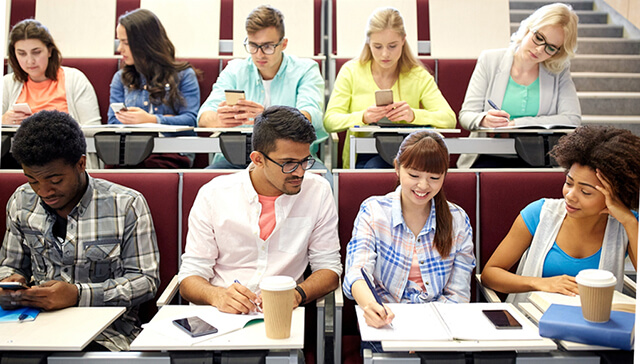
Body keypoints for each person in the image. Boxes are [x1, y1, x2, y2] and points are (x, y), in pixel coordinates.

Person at [0, 110, 160, 351]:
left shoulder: (126, 204)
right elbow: (11, 265)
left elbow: (145, 281)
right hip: (31, 325)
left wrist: (78, 295)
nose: (44, 191)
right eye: (33, 180)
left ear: (81, 164)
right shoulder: (21, 201)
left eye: (55, 181)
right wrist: (11, 281)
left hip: (106, 332)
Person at [179, 106, 341, 314]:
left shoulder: (317, 191)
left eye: (304, 161)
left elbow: (329, 269)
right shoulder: (214, 194)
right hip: (220, 315)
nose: (300, 172)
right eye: (288, 164)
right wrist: (217, 296)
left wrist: (297, 293)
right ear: (258, 159)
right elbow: (190, 278)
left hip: (281, 315)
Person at [481, 126, 640, 304]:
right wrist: (541, 283)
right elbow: (490, 274)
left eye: (585, 192)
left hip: (597, 325)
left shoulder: (627, 224)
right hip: (533, 320)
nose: (570, 195)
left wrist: (629, 222)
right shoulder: (539, 213)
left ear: (615, 194)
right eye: (569, 183)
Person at [343, 131, 475, 333]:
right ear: (397, 167)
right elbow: (357, 271)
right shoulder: (374, 211)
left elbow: (458, 293)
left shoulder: (457, 219)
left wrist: (429, 331)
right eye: (414, 175)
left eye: (434, 177)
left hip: (441, 325)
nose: (423, 186)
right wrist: (371, 306)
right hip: (388, 322)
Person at [323, 7, 456, 169]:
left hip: (409, 155)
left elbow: (449, 119)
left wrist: (413, 115)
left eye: (392, 46)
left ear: (403, 40)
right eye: (377, 47)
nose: (385, 54)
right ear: (368, 43)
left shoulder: (418, 75)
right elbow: (330, 121)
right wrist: (363, 117)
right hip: (362, 155)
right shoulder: (351, 71)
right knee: (375, 168)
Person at [198, 5, 326, 169]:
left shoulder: (305, 70)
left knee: (324, 183)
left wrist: (269, 119)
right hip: (235, 159)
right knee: (205, 185)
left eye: (267, 46)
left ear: (283, 44)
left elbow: (311, 115)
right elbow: (203, 116)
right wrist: (220, 120)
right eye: (253, 45)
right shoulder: (235, 70)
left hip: (292, 159)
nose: (259, 54)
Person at [457, 3, 581, 168]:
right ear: (528, 28)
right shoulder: (490, 60)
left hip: (540, 157)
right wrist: (484, 119)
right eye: (539, 38)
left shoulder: (558, 71)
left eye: (551, 48)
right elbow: (466, 116)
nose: (539, 50)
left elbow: (572, 119)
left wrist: (518, 123)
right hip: (488, 154)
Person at [2, 19, 102, 169]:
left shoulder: (74, 79)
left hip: (64, 157)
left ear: (49, 51)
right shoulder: (7, 83)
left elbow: (93, 131)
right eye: (21, 53)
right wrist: (3, 121)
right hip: (18, 160)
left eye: (36, 52)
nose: (30, 61)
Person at [109, 9, 200, 168]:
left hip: (172, 152)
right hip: (129, 152)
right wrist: (168, 120)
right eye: (119, 42)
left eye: (126, 43)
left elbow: (191, 121)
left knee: (151, 167)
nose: (119, 49)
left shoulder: (184, 75)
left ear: (145, 42)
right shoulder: (120, 78)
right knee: (113, 168)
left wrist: (152, 120)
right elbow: (113, 122)